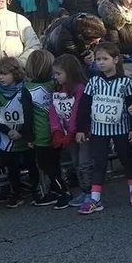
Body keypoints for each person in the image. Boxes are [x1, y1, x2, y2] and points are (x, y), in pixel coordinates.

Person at [75, 42, 132, 214]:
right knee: (99, 161)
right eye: (98, 59)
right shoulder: (93, 82)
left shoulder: (125, 82)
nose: (101, 62)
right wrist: (81, 128)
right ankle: (95, 198)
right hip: (98, 130)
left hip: (121, 129)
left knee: (126, 158)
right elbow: (84, 106)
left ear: (115, 60)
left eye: (105, 59)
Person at [0, 56, 37, 207]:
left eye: (5, 74)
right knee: (12, 168)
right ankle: (16, 193)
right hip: (8, 139)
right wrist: (7, 131)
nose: (1, 77)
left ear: (15, 73)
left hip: (25, 136)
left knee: (31, 165)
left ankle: (36, 191)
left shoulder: (24, 91)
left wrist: (22, 132)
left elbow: (29, 114)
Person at [24, 50, 68, 208]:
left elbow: (27, 115)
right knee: (54, 162)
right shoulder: (56, 83)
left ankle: (63, 191)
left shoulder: (27, 88)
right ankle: (54, 190)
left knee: (45, 164)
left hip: (41, 133)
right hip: (59, 130)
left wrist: (29, 138)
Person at [48, 54, 91, 208]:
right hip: (68, 133)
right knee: (76, 163)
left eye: (59, 74)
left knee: (85, 162)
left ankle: (91, 192)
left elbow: (77, 112)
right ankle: (84, 190)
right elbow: (53, 111)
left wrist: (73, 131)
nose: (56, 77)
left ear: (70, 72)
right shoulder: (58, 90)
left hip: (82, 131)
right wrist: (57, 131)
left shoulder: (80, 89)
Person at [43, 13, 107, 67]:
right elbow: (71, 62)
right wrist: (83, 61)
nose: (97, 42)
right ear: (81, 37)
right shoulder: (64, 40)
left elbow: (100, 41)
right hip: (54, 58)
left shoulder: (92, 21)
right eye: (92, 41)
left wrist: (94, 52)